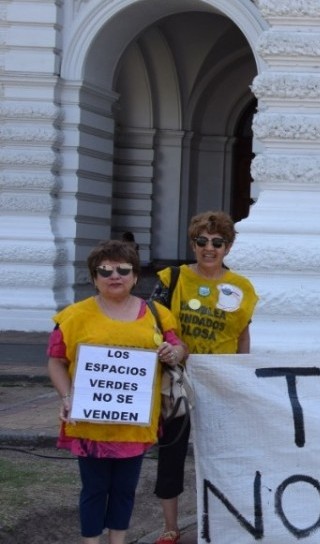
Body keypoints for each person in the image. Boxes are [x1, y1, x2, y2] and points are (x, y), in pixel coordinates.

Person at [47, 240, 187, 544]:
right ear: (94, 276)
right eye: (105, 270)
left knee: (125, 489)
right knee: (94, 489)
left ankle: (118, 541)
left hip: (135, 424)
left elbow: (180, 347)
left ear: (135, 276)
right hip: (90, 423)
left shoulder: (158, 315)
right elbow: (56, 361)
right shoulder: (73, 317)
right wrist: (67, 397)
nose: (115, 276)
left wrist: (173, 353)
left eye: (123, 269)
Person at [149, 211, 258, 544]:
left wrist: (241, 373)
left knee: (224, 450)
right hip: (175, 378)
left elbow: (242, 335)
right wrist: (171, 348)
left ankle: (226, 520)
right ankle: (171, 526)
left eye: (217, 242)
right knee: (172, 451)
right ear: (192, 243)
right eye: (202, 241)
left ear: (227, 247)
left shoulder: (240, 287)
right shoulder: (172, 278)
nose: (209, 248)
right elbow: (151, 323)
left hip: (220, 378)